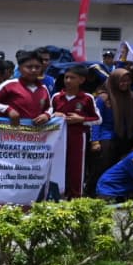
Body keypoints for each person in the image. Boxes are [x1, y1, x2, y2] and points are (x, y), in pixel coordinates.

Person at [51, 64, 101, 199]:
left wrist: (81, 119)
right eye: (66, 77)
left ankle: (76, 196)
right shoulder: (56, 97)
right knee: (59, 165)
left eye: (72, 78)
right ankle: (58, 195)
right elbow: (48, 114)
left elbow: (97, 119)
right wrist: (54, 115)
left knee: (76, 167)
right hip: (58, 138)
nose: (68, 80)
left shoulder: (87, 98)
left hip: (78, 137)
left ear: (81, 80)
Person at [0, 51, 51, 125]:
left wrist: (47, 115)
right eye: (29, 67)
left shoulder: (43, 88)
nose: (34, 70)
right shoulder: (9, 84)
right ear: (20, 68)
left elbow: (50, 108)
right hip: (10, 133)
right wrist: (8, 109)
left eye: (37, 67)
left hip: (35, 135)